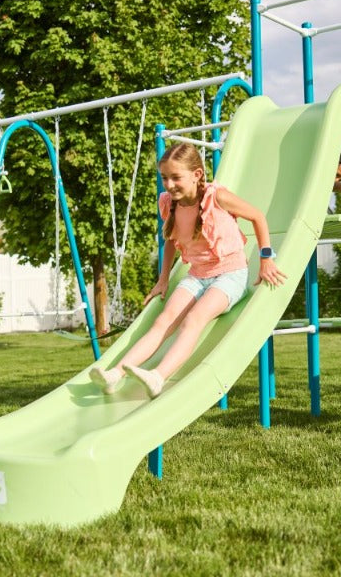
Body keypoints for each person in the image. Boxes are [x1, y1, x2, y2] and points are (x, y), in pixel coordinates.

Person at [90, 142, 286, 398]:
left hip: (231, 275)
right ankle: (115, 375)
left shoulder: (218, 197)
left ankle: (158, 377)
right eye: (164, 178)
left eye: (176, 178)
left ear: (197, 175)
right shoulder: (168, 202)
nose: (169, 185)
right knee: (163, 321)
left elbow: (258, 216)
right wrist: (163, 279)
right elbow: (171, 240)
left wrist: (266, 258)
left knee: (194, 320)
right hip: (197, 275)